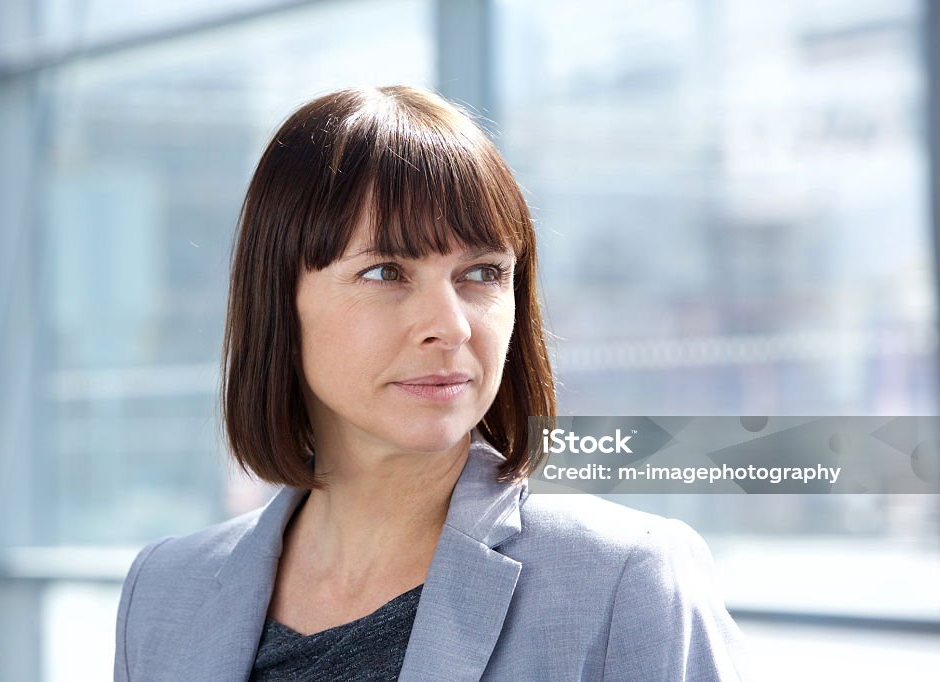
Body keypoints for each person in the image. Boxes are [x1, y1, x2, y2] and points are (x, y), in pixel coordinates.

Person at [114, 85, 752, 681]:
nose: (450, 326)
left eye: (481, 273)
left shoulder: (623, 581)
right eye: (387, 272)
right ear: (281, 299)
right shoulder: (164, 590)